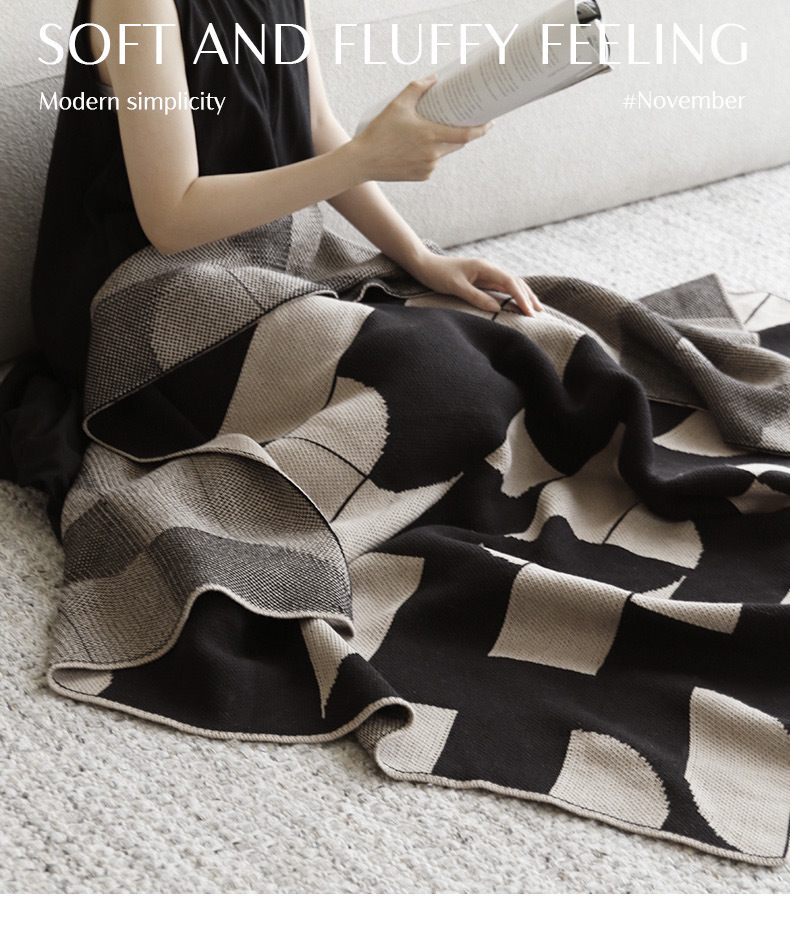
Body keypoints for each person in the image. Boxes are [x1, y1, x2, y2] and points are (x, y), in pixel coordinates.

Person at [0, 0, 542, 537]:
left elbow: (315, 124)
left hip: (264, 255)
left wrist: (421, 258)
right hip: (144, 296)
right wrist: (368, 156)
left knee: (512, 340)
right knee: (444, 381)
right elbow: (171, 216)